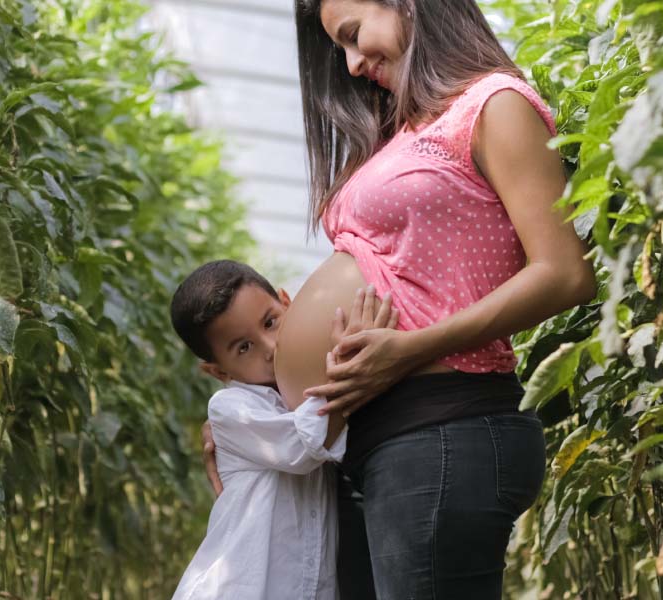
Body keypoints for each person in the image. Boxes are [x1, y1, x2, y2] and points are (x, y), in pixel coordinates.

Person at [203, 0, 598, 597]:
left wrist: (409, 350)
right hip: (386, 441)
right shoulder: (403, 131)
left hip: (443, 424)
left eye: (354, 36)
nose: (353, 63)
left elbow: (565, 272)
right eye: (340, 49)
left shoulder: (493, 104)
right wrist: (259, 423)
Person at [168, 260, 397, 600]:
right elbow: (305, 442)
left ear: (289, 304)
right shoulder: (230, 410)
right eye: (243, 348)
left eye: (271, 322)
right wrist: (357, 362)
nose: (270, 347)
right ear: (218, 371)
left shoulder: (297, 395)